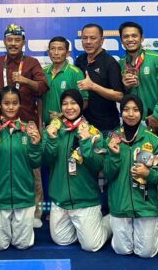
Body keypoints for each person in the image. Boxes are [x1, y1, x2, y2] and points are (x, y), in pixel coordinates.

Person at [0, 23, 48, 225]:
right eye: (9, 40)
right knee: (3, 169)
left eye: (17, 40)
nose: (13, 43)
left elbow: (43, 86)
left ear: (24, 42)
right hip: (2, 127)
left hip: (27, 124)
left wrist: (25, 80)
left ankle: (36, 213)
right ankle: (3, 211)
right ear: (4, 41)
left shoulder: (31, 62)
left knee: (33, 171)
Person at [43, 89, 111, 252]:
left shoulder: (93, 132)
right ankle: (84, 229)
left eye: (73, 103)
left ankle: (113, 220)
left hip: (85, 200)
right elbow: (45, 161)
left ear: (81, 105)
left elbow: (98, 166)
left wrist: (86, 142)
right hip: (60, 200)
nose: (69, 107)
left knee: (91, 245)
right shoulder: (53, 130)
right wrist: (51, 140)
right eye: (65, 104)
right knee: (62, 240)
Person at [104, 93, 158, 258]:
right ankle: (109, 221)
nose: (130, 114)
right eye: (126, 109)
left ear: (142, 112)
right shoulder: (112, 138)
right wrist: (114, 155)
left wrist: (148, 173)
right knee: (122, 250)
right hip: (120, 204)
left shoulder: (153, 140)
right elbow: (107, 173)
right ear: (121, 112)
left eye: (135, 110)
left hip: (145, 205)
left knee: (146, 253)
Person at [0, 87, 43, 250]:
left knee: (23, 245)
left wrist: (36, 145)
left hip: (23, 196)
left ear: (20, 105)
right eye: (6, 103)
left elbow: (35, 163)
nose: (10, 107)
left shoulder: (29, 130)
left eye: (15, 103)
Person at [118, 21, 158, 130]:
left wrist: (157, 114)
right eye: (126, 36)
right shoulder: (121, 63)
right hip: (132, 121)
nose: (130, 39)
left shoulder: (157, 58)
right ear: (121, 40)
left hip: (157, 121)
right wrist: (125, 87)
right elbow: (120, 94)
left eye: (134, 36)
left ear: (142, 38)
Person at [74, 23, 124, 134]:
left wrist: (93, 86)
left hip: (106, 127)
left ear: (101, 40)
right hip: (83, 126)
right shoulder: (80, 60)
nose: (88, 42)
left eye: (93, 38)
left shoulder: (110, 63)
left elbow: (119, 96)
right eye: (85, 38)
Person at [42, 36, 88, 128]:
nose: (56, 53)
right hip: (47, 126)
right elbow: (39, 99)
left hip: (68, 126)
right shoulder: (43, 72)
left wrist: (62, 115)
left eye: (60, 49)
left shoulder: (76, 73)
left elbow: (85, 101)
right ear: (48, 52)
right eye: (52, 49)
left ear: (67, 53)